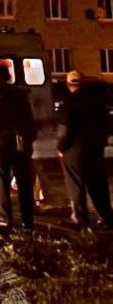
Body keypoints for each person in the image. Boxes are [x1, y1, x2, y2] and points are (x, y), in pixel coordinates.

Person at [0, 63, 37, 230]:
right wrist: (30, 138)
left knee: (2, 177)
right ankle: (27, 221)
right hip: (20, 139)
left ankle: (5, 217)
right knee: (24, 180)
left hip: (0, 139)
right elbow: (28, 116)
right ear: (8, 77)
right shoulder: (19, 93)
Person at [56, 70, 113, 230]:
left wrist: (61, 147)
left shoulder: (70, 102)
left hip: (75, 150)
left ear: (69, 84)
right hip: (95, 149)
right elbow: (106, 126)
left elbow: (66, 129)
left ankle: (80, 219)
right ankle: (107, 217)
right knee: (98, 184)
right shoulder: (97, 103)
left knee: (75, 184)